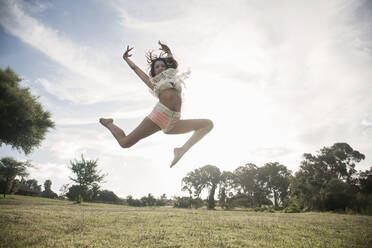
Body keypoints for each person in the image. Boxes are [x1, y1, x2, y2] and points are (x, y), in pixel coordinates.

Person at [99, 41, 213, 168]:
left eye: (162, 66)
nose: (160, 68)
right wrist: (126, 59)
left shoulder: (172, 76)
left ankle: (181, 150)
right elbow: (136, 70)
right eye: (157, 67)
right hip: (160, 115)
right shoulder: (154, 84)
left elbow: (172, 63)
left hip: (174, 120)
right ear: (154, 71)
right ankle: (109, 123)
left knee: (207, 124)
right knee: (125, 143)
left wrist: (168, 51)